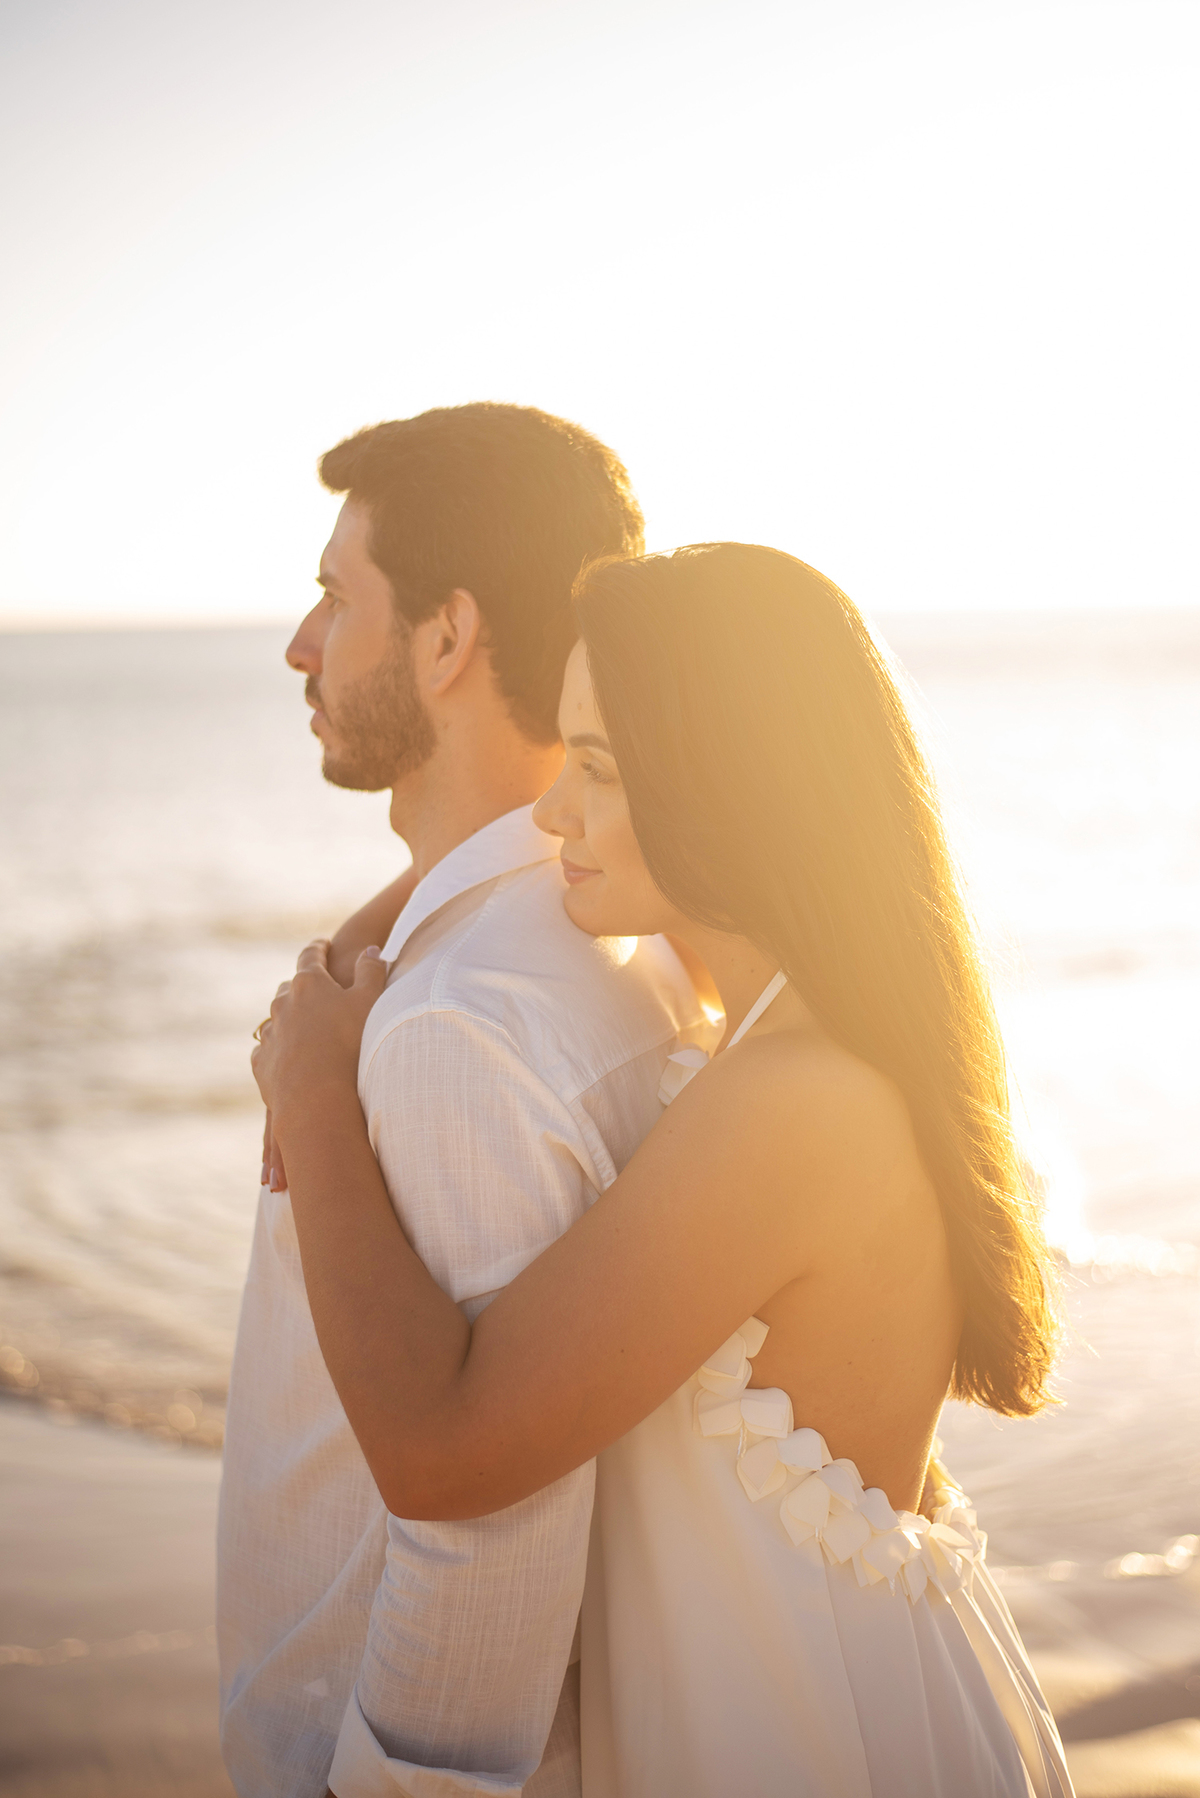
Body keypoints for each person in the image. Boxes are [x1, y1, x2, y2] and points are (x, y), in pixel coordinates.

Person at [251, 543, 1076, 1797]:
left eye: (594, 768)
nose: (552, 813)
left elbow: (443, 1455)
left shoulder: (795, 1106)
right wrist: (375, 940)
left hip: (811, 1741)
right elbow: (488, 862)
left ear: (724, 790)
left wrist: (314, 1102)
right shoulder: (770, 1014)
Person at [217, 404, 709, 1797]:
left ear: (448, 638)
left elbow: (486, 1529)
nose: (302, 643)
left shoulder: (450, 1026)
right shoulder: (603, 945)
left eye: (335, 595)